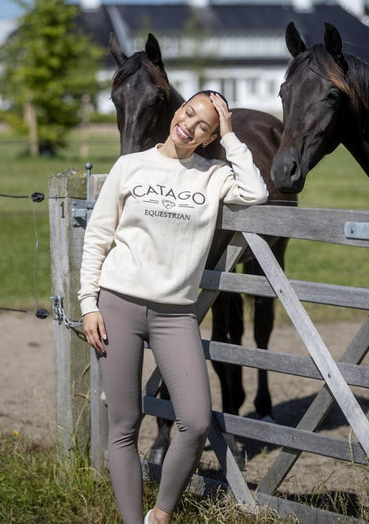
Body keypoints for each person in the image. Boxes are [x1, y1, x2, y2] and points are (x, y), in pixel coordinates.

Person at [79, 90, 268, 524]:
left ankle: (159, 515)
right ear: (177, 111)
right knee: (124, 426)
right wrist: (89, 303)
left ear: (209, 137)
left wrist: (231, 134)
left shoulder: (215, 174)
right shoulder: (130, 166)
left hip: (175, 314)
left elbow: (256, 191)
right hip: (118, 304)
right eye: (188, 114)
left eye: (205, 126)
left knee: (196, 422)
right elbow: (97, 237)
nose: (190, 126)